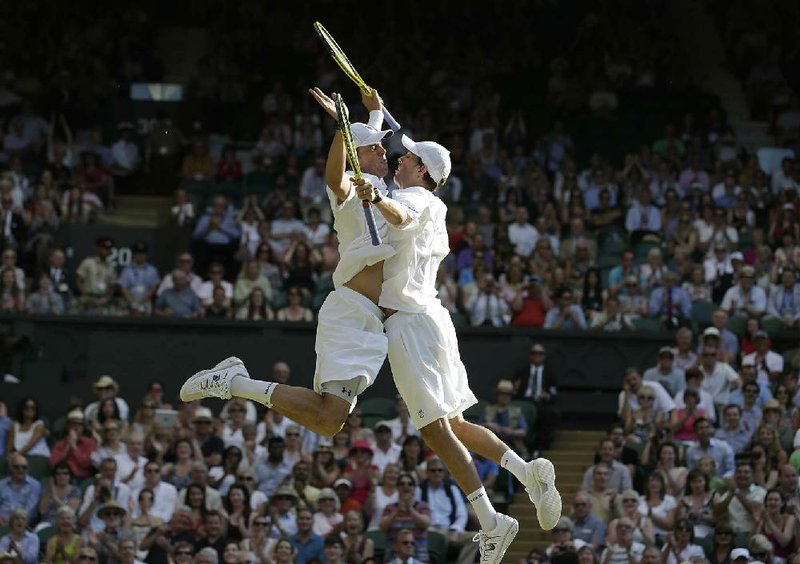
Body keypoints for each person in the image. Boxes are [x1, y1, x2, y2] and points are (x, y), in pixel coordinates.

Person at [356, 132, 556, 553]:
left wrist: (376, 200)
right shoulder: (436, 202)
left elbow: (399, 215)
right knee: (458, 425)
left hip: (410, 324)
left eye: (407, 158)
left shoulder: (415, 200)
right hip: (433, 319)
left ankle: (492, 521)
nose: (398, 160)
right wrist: (374, 113)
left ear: (422, 169)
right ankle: (527, 471)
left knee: (434, 431)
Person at [181, 88, 395, 440]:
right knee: (329, 418)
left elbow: (367, 146)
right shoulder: (351, 188)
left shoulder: (381, 189)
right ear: (358, 156)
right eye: (376, 146)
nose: (384, 150)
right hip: (351, 312)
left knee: (329, 421)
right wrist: (342, 128)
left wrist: (375, 112)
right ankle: (235, 382)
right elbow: (335, 176)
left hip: (373, 321)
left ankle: (236, 381)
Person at [0, 453, 41, 524]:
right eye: (16, 467)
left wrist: (12, 520)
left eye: (24, 467)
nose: (20, 470)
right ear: (11, 468)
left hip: (23, 523)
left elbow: (31, 511)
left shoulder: (34, 485)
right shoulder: (1, 484)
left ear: (28, 469)